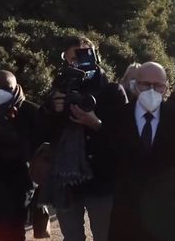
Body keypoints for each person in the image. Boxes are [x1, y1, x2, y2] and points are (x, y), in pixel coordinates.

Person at [40, 35, 127, 241]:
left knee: (106, 235)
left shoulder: (112, 91)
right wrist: (53, 110)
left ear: (95, 57)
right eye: (72, 59)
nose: (78, 63)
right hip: (67, 182)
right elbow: (44, 133)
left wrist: (95, 124)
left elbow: (123, 138)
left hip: (103, 179)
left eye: (83, 56)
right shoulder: (58, 90)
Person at [109, 62, 175, 241]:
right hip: (126, 217)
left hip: (167, 217)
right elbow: (109, 161)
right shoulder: (117, 117)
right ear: (134, 84)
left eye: (158, 85)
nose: (152, 90)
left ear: (166, 87)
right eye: (146, 84)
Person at [0, 70, 41, 241]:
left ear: (16, 87)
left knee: (13, 231)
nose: (0, 92)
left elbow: (41, 147)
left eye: (6, 88)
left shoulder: (30, 112)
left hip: (20, 185)